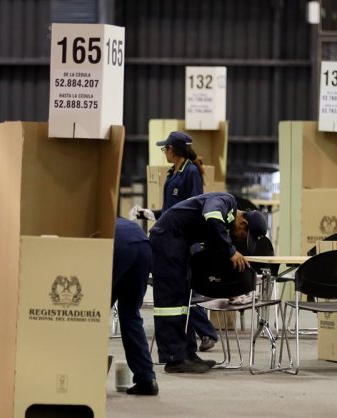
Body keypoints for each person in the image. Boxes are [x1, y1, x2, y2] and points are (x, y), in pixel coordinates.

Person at [149, 192, 267, 373]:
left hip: (178, 243)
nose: (240, 239)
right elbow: (211, 217)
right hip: (167, 239)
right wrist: (230, 251)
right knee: (171, 302)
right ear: (244, 223)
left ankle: (187, 354)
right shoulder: (225, 201)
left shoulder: (225, 223)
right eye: (244, 235)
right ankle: (174, 358)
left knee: (184, 301)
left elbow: (212, 250)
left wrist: (229, 285)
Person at [131, 131, 220, 352]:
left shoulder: (190, 173)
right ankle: (204, 331)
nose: (165, 153)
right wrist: (150, 213)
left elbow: (195, 208)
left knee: (181, 289)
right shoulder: (173, 174)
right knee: (177, 288)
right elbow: (172, 211)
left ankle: (207, 331)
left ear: (173, 149)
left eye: (166, 149)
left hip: (181, 241)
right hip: (168, 237)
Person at [111, 218, 158, 395]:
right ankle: (146, 379)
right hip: (144, 246)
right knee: (130, 314)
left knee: (93, 314)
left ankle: (85, 376)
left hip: (119, 246)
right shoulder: (112, 219)